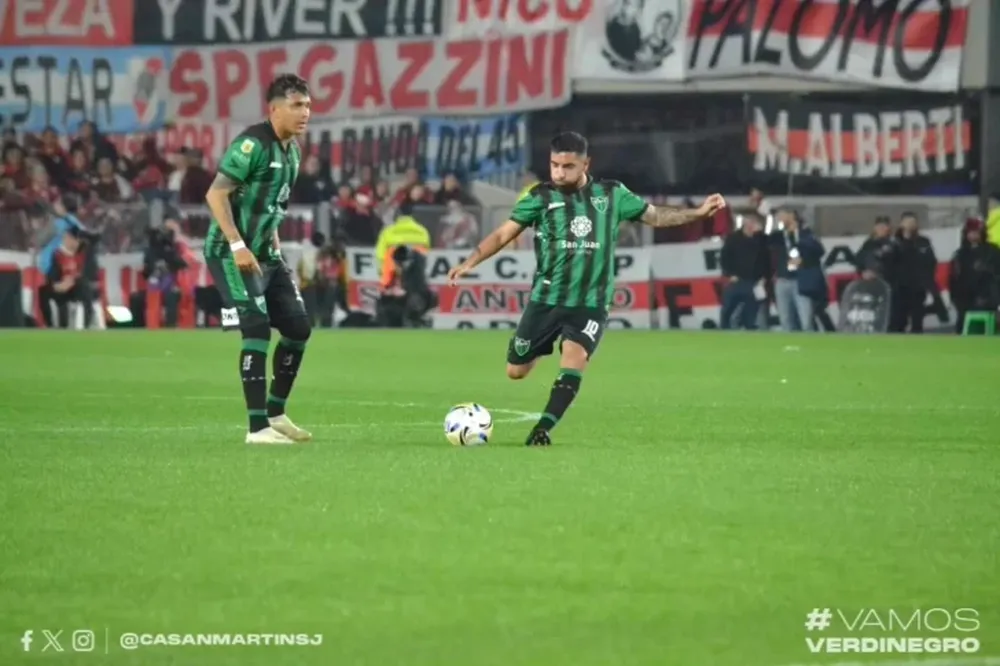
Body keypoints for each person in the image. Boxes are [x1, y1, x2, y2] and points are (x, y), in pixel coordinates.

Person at [447, 131, 726, 446]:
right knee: (516, 370)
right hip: (546, 299)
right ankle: (544, 345)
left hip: (591, 302)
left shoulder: (611, 195)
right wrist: (472, 261)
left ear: (585, 164)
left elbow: (656, 216)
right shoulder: (539, 197)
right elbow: (502, 234)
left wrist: (699, 213)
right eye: (554, 165)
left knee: (574, 356)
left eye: (568, 166)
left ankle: (542, 429)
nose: (559, 172)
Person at [202, 74, 313, 446]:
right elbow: (216, 195)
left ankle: (276, 413)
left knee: (298, 328)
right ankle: (256, 429)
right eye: (297, 105)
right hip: (230, 252)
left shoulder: (293, 152)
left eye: (308, 106)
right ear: (274, 109)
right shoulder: (252, 145)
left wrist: (274, 247)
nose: (305, 113)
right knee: (257, 329)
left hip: (266, 253)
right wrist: (236, 244)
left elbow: (272, 206)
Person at [719, 213, 769, 330]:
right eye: (749, 221)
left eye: (754, 222)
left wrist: (764, 277)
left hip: (755, 281)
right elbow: (724, 258)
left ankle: (749, 330)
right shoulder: (733, 238)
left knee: (752, 310)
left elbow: (766, 260)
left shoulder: (761, 239)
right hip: (737, 280)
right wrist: (729, 274)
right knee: (728, 309)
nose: (751, 224)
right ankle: (723, 331)